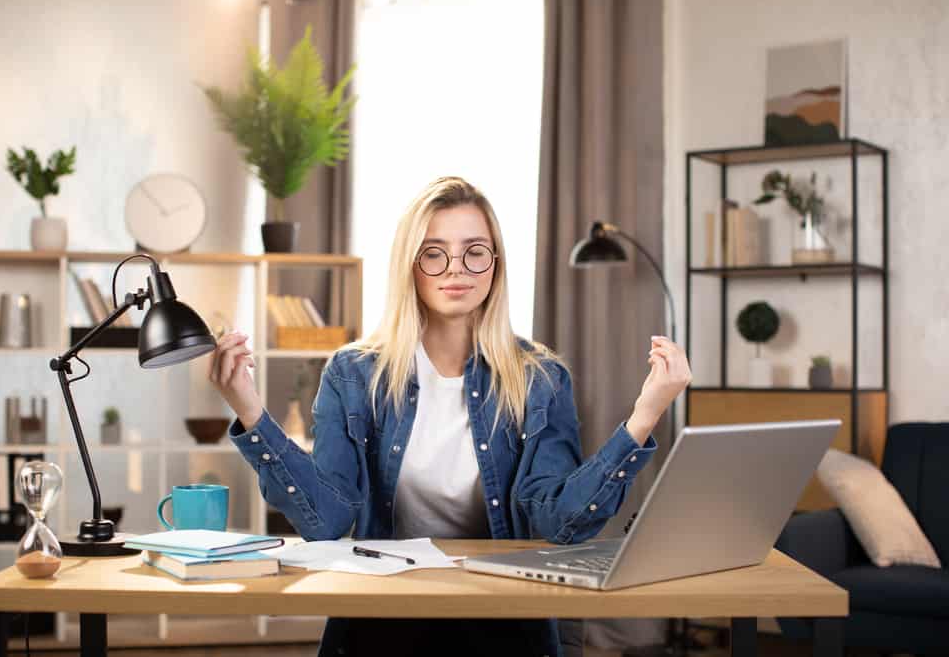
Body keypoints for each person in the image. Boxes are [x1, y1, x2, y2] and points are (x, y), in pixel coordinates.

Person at [209, 176, 692, 657]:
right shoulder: (354, 374)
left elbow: (559, 524)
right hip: (386, 617)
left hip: (503, 619)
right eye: (434, 252)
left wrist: (643, 416)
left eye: (475, 251)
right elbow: (328, 521)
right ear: (410, 266)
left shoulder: (540, 377)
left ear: (495, 265)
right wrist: (250, 411)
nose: (455, 269)